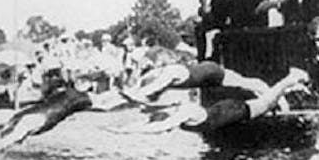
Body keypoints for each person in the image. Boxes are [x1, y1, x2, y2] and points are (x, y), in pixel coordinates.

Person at [109, 67, 309, 134]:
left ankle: (291, 79)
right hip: (218, 104)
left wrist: (127, 128)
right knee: (253, 89)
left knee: (265, 103)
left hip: (228, 111)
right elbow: (151, 119)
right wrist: (122, 127)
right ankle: (290, 88)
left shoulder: (181, 111)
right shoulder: (174, 108)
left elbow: (158, 127)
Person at [121, 60, 283, 105]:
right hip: (206, 71)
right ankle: (277, 98)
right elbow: (141, 86)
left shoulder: (169, 72)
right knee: (247, 83)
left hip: (208, 72)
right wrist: (130, 94)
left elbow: (154, 86)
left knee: (247, 83)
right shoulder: (153, 74)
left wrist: (139, 95)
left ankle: (278, 99)